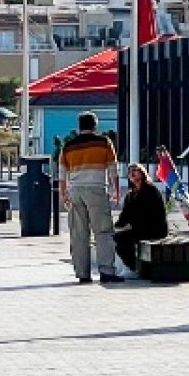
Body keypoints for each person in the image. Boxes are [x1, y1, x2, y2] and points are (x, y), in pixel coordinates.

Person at [59, 111, 124, 283]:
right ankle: (106, 271)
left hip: (75, 191)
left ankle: (82, 273)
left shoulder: (68, 146)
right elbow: (113, 169)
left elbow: (62, 174)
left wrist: (64, 194)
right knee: (103, 231)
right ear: (95, 125)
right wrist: (116, 190)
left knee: (79, 234)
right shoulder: (104, 143)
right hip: (96, 189)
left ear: (79, 126)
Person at [112, 162, 169, 273]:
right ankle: (129, 266)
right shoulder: (130, 195)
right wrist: (115, 227)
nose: (132, 173)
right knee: (115, 237)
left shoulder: (150, 191)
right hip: (138, 228)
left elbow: (148, 214)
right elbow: (124, 215)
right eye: (130, 172)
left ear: (142, 173)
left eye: (135, 170)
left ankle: (132, 268)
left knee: (123, 239)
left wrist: (131, 225)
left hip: (154, 228)